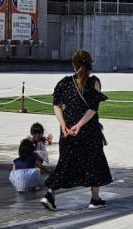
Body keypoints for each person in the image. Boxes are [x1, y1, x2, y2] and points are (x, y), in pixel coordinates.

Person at [41, 50, 113, 211]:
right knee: (94, 161)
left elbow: (56, 105)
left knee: (65, 162)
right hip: (88, 129)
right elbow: (92, 109)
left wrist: (63, 125)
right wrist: (79, 126)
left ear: (73, 64)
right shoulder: (94, 82)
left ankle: (50, 194)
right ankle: (95, 199)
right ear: (90, 63)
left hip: (67, 129)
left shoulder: (64, 82)